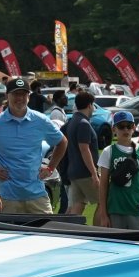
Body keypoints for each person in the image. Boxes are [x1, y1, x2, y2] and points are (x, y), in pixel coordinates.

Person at [0, 77, 66, 216]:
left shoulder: (40, 120)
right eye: (16, 94)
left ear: (28, 96)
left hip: (37, 194)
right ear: (7, 96)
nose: (20, 98)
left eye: (23, 94)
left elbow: (62, 142)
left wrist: (51, 168)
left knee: (47, 229)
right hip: (6, 197)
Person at [95, 110, 139, 230]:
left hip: (137, 208)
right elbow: (103, 185)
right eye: (121, 127)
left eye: (129, 126)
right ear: (114, 129)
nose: (126, 130)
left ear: (134, 127)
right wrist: (103, 214)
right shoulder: (109, 151)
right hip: (115, 209)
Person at [60, 90, 101, 219]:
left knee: (77, 205)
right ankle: (98, 229)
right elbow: (84, 149)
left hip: (74, 171)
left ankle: (69, 230)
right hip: (85, 173)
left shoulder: (72, 121)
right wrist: (94, 173)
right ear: (89, 105)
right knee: (103, 202)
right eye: (93, 105)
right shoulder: (83, 123)